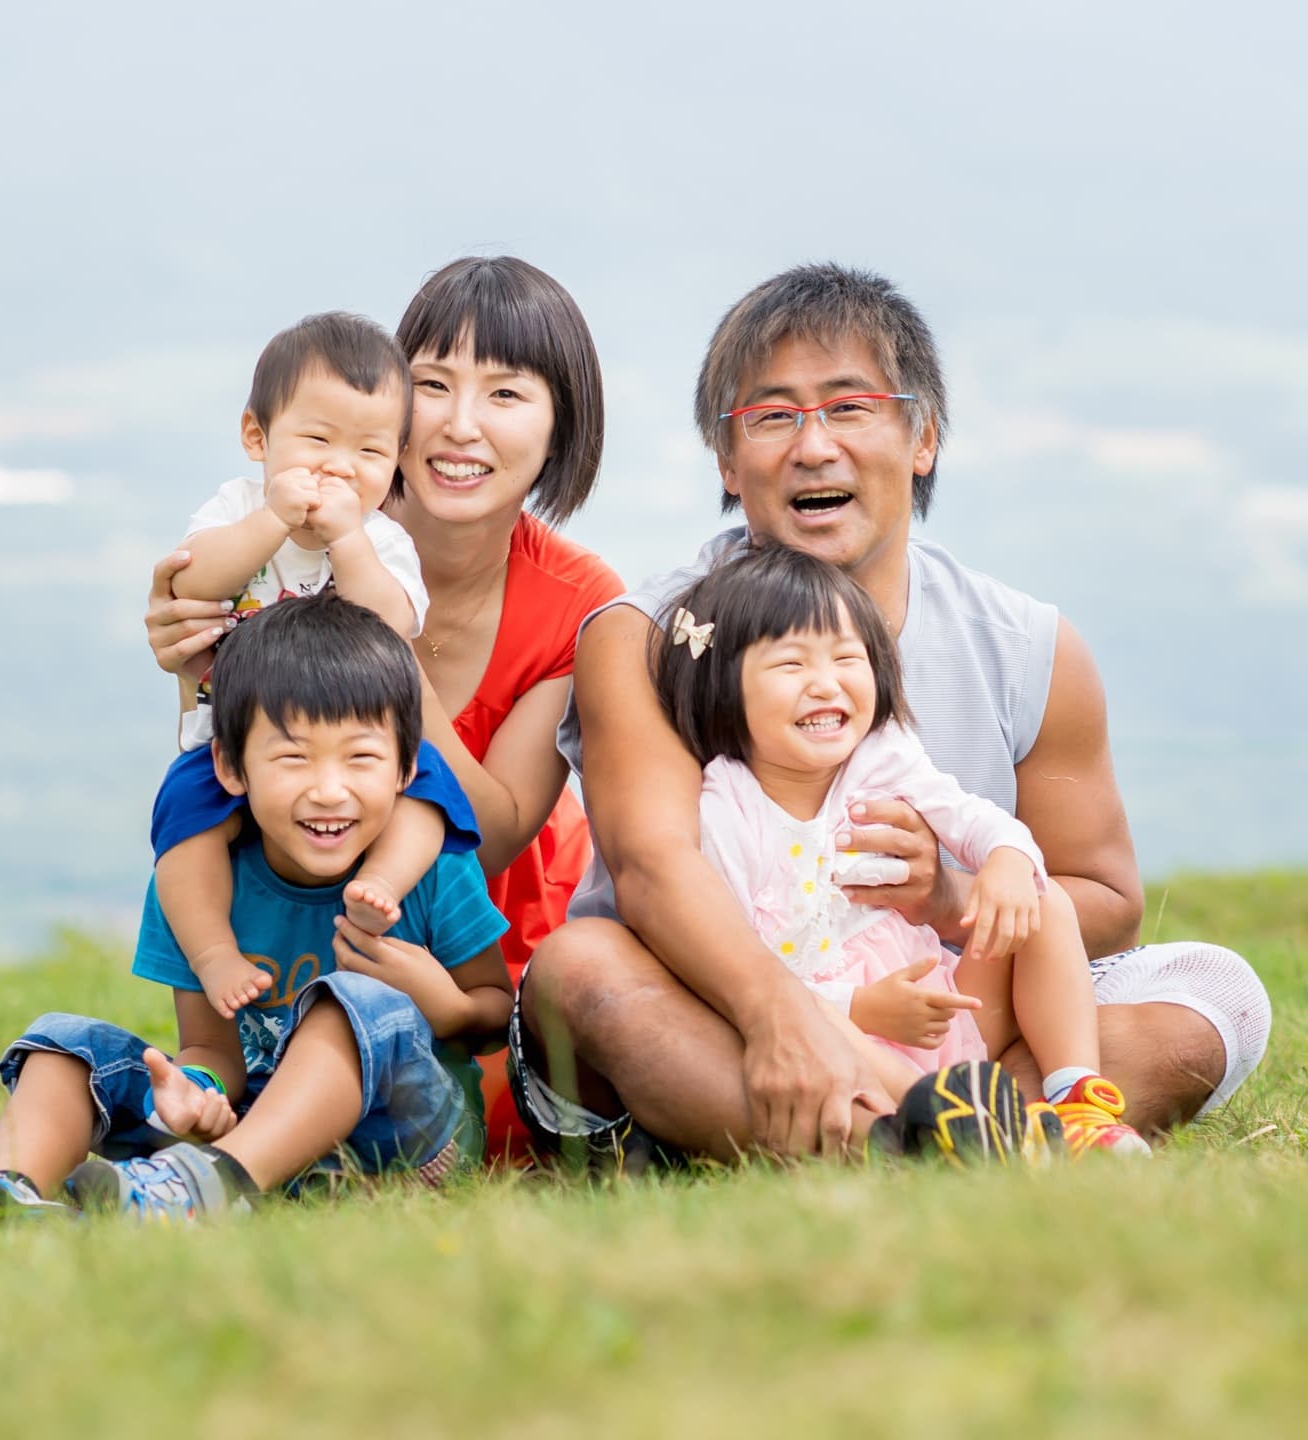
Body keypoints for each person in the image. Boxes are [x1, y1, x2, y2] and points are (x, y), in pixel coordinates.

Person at [512, 262, 1271, 1164]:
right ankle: (942, 1140)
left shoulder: (1028, 646)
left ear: (923, 439)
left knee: (1216, 993)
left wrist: (950, 896)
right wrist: (784, 1018)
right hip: (705, 1011)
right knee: (578, 968)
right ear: (726, 459)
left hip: (943, 1016)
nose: (813, 445)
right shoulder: (650, 636)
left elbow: (1104, 904)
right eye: (772, 415)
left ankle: (897, 1140)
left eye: (848, 406)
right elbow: (651, 871)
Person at [143, 257, 623, 1159]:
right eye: (433, 384)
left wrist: (379, 656)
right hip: (289, 943)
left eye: (507, 393)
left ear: (563, 427)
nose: (459, 423)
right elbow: (231, 755)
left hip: (474, 958)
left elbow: (498, 832)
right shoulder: (283, 537)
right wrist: (194, 659)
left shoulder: (581, 604)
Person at [0, 594, 512, 1227]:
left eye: (361, 758)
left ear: (407, 767)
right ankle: (11, 1197)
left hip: (403, 1146)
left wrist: (441, 1003)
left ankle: (198, 1190)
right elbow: (211, 1048)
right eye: (293, 757)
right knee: (66, 1044)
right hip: (247, 1136)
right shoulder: (200, 889)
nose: (329, 790)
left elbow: (495, 1014)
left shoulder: (433, 870)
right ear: (230, 765)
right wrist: (200, 1095)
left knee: (356, 1001)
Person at [655, 540, 1149, 1156]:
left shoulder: (881, 755)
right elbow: (743, 970)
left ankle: (1077, 1101)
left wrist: (1008, 860)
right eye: (791, 666)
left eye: (846, 659)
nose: (825, 685)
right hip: (840, 1036)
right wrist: (860, 1008)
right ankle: (955, 1130)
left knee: (1048, 905)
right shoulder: (726, 807)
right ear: (722, 687)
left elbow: (972, 818)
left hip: (947, 1015)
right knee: (806, 1018)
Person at [156, 310, 474, 1020]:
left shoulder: (382, 539)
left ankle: (384, 884)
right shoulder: (236, 508)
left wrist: (347, 540)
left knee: (430, 787)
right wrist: (274, 521)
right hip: (232, 731)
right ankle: (212, 955)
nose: (339, 467)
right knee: (185, 817)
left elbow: (391, 625)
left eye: (369, 451)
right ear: (256, 437)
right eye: (317, 440)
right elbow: (192, 582)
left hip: (352, 731)